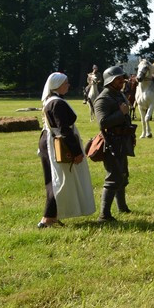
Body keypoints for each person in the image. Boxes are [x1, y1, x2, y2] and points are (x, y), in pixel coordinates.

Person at [38, 73, 94, 228]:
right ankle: (48, 219)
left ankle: (52, 217)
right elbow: (64, 130)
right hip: (58, 144)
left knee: (54, 180)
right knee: (57, 182)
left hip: (49, 141)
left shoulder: (51, 100)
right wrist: (76, 151)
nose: (68, 85)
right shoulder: (57, 103)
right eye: (66, 83)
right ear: (57, 85)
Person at [92, 66, 135, 222]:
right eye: (118, 79)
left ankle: (122, 207)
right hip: (111, 142)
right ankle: (104, 215)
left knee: (122, 175)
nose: (121, 81)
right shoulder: (103, 99)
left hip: (122, 141)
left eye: (122, 79)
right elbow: (102, 122)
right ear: (110, 81)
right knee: (113, 177)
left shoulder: (119, 95)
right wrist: (121, 113)